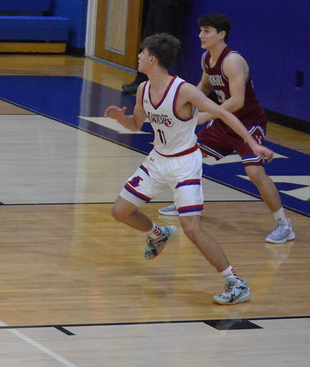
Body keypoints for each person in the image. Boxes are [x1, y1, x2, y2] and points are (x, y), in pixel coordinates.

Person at [103, 32, 275, 304]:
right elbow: (136, 125)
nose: (137, 57)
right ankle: (157, 234)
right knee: (120, 211)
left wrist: (253, 146)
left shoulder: (184, 90)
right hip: (157, 160)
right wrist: (120, 118)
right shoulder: (143, 89)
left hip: (185, 163)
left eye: (140, 53)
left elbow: (223, 113)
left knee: (191, 228)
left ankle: (235, 282)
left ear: (151, 58)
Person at [157, 13, 295, 243]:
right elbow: (203, 85)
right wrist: (182, 103)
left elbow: (237, 101)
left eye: (207, 31)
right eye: (200, 30)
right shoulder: (206, 59)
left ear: (221, 35)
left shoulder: (233, 61)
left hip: (248, 123)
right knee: (188, 157)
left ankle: (284, 225)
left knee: (255, 173)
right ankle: (185, 203)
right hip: (224, 122)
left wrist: (205, 115)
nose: (201, 35)